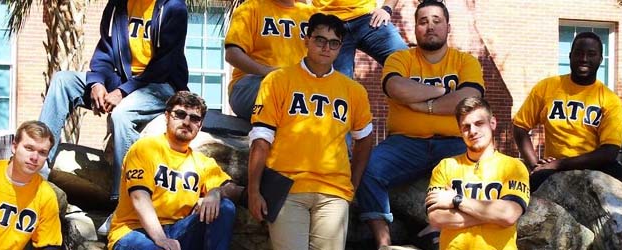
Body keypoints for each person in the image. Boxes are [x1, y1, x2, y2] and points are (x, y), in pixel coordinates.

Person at [354, 1, 485, 247]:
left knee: (481, 169)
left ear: (448, 27)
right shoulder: (399, 58)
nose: (430, 26)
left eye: (437, 21)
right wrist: (443, 90)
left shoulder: (465, 62)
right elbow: (396, 87)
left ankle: (433, 229)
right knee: (367, 168)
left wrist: (424, 104)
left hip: (454, 142)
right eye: (423, 21)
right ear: (415, 28)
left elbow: (469, 99)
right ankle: (384, 241)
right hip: (404, 144)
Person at [246, 13, 374, 249]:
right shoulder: (278, 80)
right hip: (287, 189)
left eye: (334, 43)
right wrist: (253, 190)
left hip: (334, 193)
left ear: (340, 48)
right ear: (306, 39)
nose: (326, 48)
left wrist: (353, 185)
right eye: (320, 40)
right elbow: (261, 138)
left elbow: (365, 139)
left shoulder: (354, 91)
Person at [39, 0, 189, 201]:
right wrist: (97, 82)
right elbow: (105, 50)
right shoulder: (119, 4)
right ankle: (38, 170)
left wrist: (122, 92)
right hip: (123, 80)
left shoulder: (174, 7)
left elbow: (164, 64)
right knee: (62, 81)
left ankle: (123, 201)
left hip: (162, 85)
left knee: (122, 114)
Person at [512, 31, 622, 193]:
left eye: (591, 54)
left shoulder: (610, 100)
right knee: (525, 194)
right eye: (579, 53)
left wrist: (560, 163)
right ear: (570, 56)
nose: (584, 59)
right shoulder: (547, 87)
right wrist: (535, 164)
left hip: (597, 165)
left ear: (600, 59)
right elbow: (520, 126)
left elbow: (609, 152)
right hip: (554, 166)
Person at [107, 92, 242, 250]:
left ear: (200, 125)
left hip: (178, 230)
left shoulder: (203, 163)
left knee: (224, 207)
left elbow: (234, 189)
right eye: (180, 114)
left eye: (194, 118)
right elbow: (139, 198)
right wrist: (161, 239)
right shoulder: (146, 148)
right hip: (134, 231)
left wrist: (216, 193)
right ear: (167, 116)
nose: (186, 122)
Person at [426, 97, 529, 250]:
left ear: (492, 123)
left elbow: (509, 214)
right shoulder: (445, 166)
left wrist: (456, 200)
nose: (472, 131)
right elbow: (436, 218)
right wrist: (492, 216)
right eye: (466, 127)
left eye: (479, 123)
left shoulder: (514, 166)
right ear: (460, 131)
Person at [0, 121, 62, 249]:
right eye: (29, 148)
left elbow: (50, 244)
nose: (35, 157)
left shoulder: (45, 195)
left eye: (42, 152)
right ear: (14, 147)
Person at [224, 0, 315, 120]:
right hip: (253, 84)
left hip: (300, 86)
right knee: (290, 94)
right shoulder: (250, 8)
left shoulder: (312, 15)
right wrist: (269, 72)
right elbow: (232, 54)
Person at [310, 0, 408, 78]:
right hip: (329, 23)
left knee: (408, 62)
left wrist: (387, 8)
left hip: (368, 18)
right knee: (339, 87)